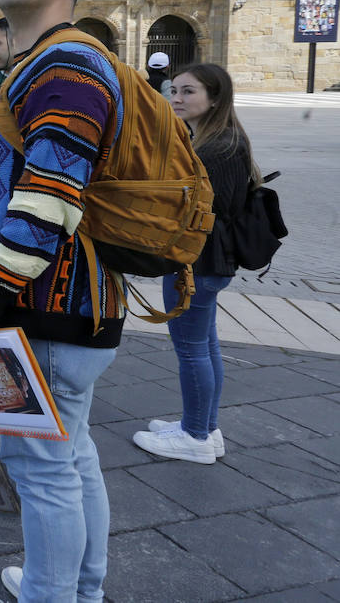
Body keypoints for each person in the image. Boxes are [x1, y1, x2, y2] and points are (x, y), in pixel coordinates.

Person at [0, 0, 123, 602]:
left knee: (42, 468)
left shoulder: (67, 64)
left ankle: (53, 595)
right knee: (73, 456)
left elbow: (50, 196)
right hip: (79, 305)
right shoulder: (44, 64)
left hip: (47, 306)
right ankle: (81, 588)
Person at [132, 63, 255, 464]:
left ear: (214, 98)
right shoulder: (221, 139)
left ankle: (195, 436)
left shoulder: (216, 148)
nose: (177, 99)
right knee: (205, 344)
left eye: (189, 92)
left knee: (191, 349)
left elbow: (195, 206)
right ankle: (204, 426)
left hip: (196, 260)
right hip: (209, 259)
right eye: (175, 90)